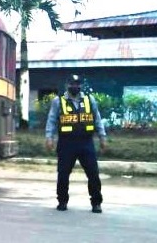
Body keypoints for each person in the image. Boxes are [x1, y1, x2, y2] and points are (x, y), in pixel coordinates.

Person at [45, 74, 107, 213]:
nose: (75, 86)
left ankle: (96, 203)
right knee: (63, 174)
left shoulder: (89, 100)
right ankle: (62, 201)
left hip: (86, 143)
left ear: (81, 85)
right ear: (67, 85)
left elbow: (97, 119)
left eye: (77, 84)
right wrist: (49, 138)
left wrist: (102, 137)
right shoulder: (58, 101)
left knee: (93, 174)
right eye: (72, 84)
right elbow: (52, 120)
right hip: (66, 143)